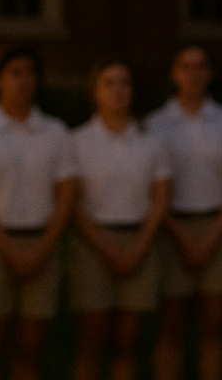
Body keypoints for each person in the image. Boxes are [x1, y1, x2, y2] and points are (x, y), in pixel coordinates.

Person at [0, 45, 78, 380]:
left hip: (41, 245)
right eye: (14, 73)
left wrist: (42, 249)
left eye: (30, 73)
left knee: (30, 350)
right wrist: (8, 250)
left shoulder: (56, 132)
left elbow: (66, 195)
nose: (23, 81)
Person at [145, 44, 222, 380]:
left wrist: (212, 236)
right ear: (175, 73)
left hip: (219, 227)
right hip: (172, 227)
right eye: (186, 66)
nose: (193, 74)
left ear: (210, 73)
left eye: (200, 66)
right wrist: (182, 237)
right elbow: (152, 190)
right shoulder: (156, 124)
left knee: (215, 324)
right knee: (171, 324)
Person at [69, 61, 172, 380]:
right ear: (95, 92)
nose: (117, 91)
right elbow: (73, 203)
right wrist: (108, 249)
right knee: (91, 343)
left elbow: (160, 198)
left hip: (140, 241)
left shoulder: (152, 141)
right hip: (93, 244)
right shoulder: (77, 141)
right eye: (109, 83)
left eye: (124, 83)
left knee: (127, 344)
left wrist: (139, 247)